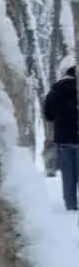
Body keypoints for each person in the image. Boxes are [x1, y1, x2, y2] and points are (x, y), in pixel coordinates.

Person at [44, 63, 79, 212]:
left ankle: (71, 205)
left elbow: (48, 115)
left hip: (64, 139)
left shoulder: (56, 90)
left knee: (68, 176)